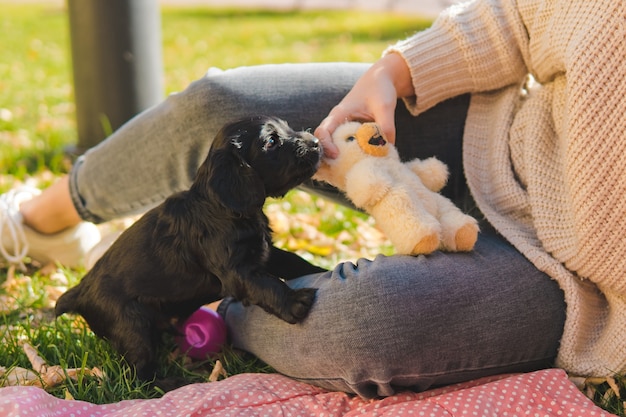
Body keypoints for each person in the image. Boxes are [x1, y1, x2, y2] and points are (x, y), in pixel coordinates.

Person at [1, 0, 625, 399]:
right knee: (219, 103)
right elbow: (521, 16)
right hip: (496, 134)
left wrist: (247, 275)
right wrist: (392, 73)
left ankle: (220, 294)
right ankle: (41, 222)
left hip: (564, 275)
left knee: (360, 321)